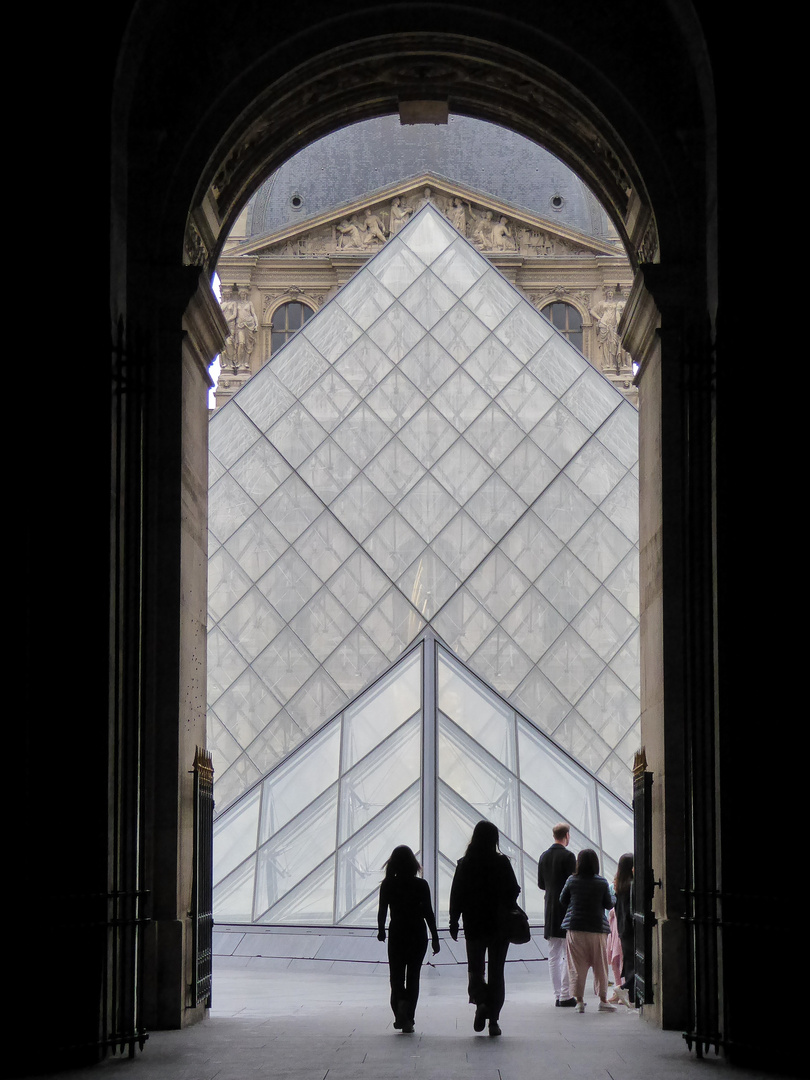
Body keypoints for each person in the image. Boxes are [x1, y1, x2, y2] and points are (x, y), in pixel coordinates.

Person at [449, 821, 520, 1037]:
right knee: (497, 971)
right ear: (495, 839)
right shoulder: (502, 863)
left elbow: (456, 894)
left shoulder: (465, 863)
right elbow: (514, 890)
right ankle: (494, 1022)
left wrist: (454, 921)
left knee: (475, 969)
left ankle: (480, 1002)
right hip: (499, 925)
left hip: (473, 924)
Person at [377, 845, 440, 1034]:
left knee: (396, 976)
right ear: (414, 864)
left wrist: (381, 930)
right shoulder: (421, 885)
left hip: (397, 932)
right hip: (417, 933)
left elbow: (382, 911)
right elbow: (428, 913)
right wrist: (435, 937)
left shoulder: (388, 885)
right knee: (413, 977)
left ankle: (400, 1007)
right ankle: (409, 1018)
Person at [559, 848, 616, 1013]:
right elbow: (608, 904)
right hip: (597, 929)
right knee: (600, 966)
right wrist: (613, 896)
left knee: (577, 966)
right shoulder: (602, 882)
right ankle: (603, 1000)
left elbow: (562, 900)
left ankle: (579, 1001)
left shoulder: (572, 880)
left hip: (575, 928)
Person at [537, 822, 577, 1007]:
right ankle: (565, 994)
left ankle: (557, 994)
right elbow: (573, 884)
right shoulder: (569, 857)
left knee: (553, 954)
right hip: (566, 909)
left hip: (550, 909)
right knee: (568, 953)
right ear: (566, 835)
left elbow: (541, 885)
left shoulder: (544, 856)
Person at [613, 852, 634, 1005]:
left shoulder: (619, 885)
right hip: (631, 929)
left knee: (629, 961)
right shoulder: (632, 885)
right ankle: (624, 988)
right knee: (637, 963)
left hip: (622, 929)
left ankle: (630, 994)